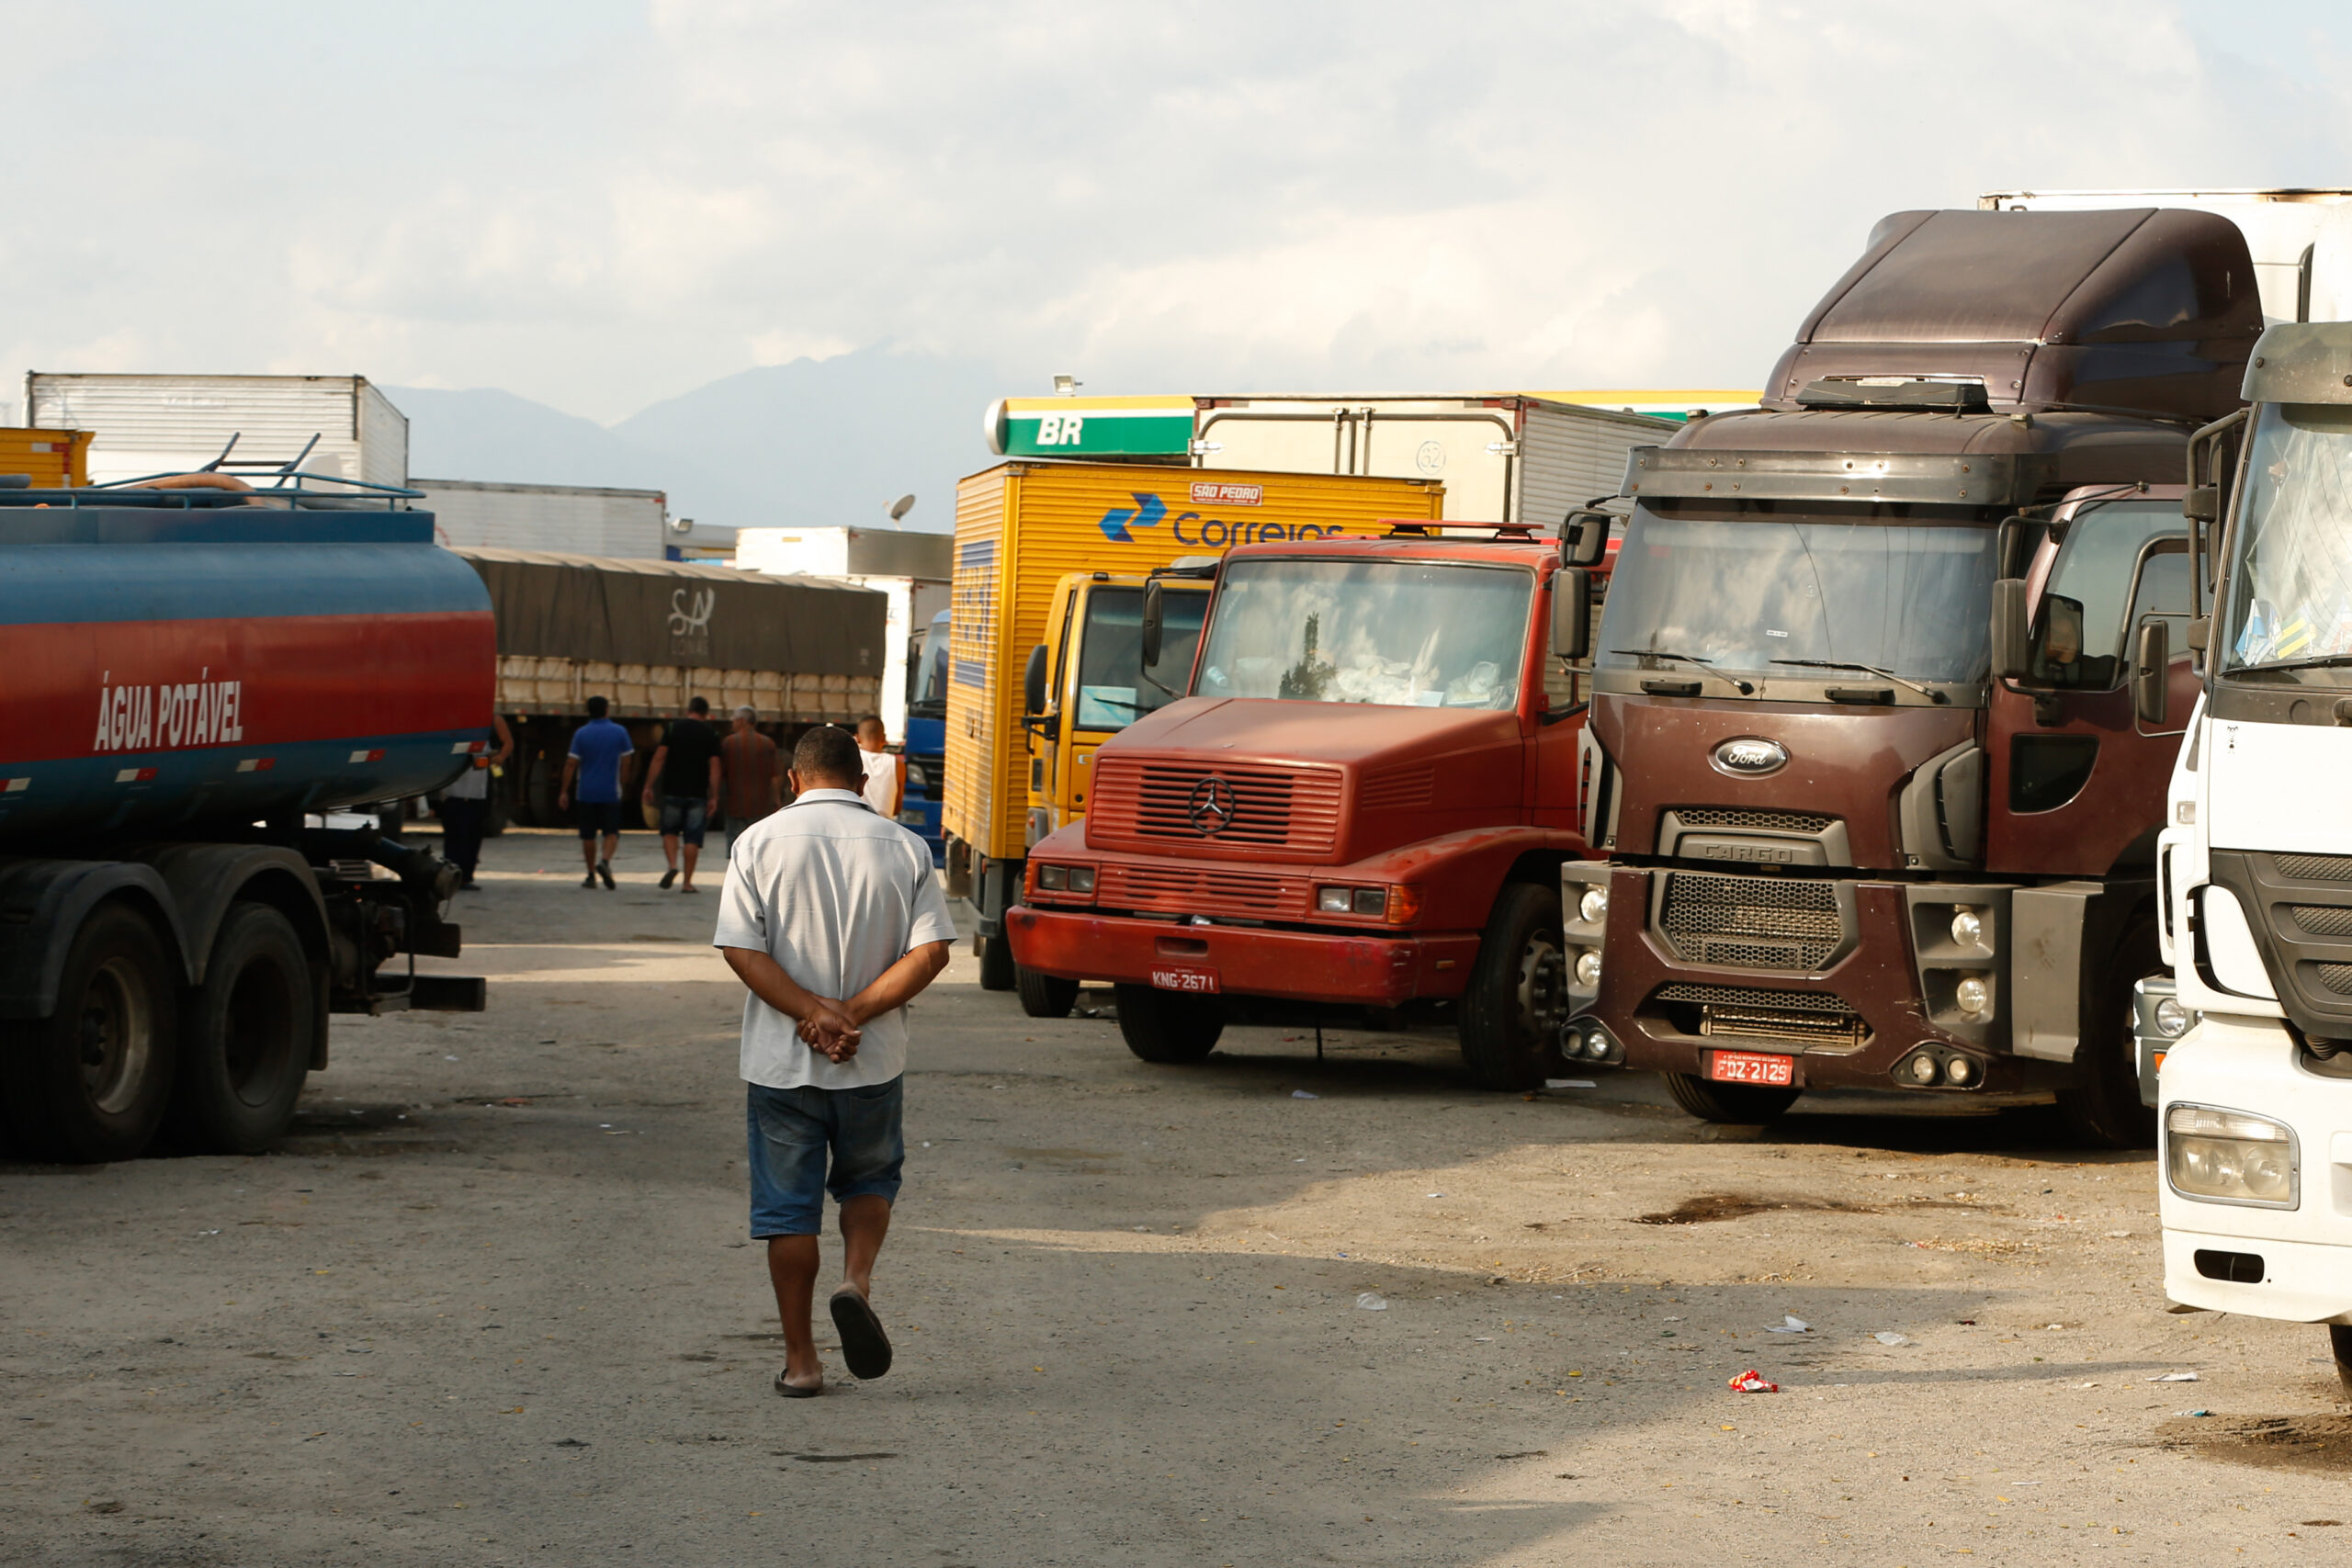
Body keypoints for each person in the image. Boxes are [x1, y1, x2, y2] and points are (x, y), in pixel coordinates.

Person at [714, 724, 955, 1397]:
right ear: (862, 779)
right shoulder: (906, 847)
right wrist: (854, 1013)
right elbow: (932, 951)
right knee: (870, 1177)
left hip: (782, 1064)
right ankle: (856, 1280)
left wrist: (812, 1013)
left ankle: (802, 1362)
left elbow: (741, 948)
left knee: (788, 1212)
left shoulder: (757, 842)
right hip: (871, 1060)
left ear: (794, 779)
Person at [644, 695, 724, 893]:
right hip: (698, 793)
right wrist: (714, 795)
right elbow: (715, 767)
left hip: (672, 790)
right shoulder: (711, 734)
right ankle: (687, 883)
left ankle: (672, 865)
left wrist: (648, 785)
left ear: (689, 710)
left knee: (670, 832)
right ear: (706, 714)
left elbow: (659, 757)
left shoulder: (672, 729)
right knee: (692, 839)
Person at [557, 695, 635, 889]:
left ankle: (591, 874)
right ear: (607, 710)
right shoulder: (620, 732)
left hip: (586, 792)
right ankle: (605, 861)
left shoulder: (581, 734)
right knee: (611, 832)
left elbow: (571, 763)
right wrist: (623, 783)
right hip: (610, 791)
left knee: (588, 835)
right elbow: (626, 762)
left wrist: (564, 791)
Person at [436, 713, 514, 891]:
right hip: (452, 793)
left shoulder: (489, 723)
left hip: (475, 793)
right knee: (455, 837)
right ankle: (452, 876)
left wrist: (497, 758)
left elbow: (502, 746)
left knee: (471, 836)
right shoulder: (452, 725)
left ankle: (465, 877)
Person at [720, 705, 782, 857]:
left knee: (735, 847)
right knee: (758, 848)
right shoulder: (767, 743)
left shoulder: (729, 743)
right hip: (760, 806)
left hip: (734, 804)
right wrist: (776, 799)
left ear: (742, 721)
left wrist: (716, 796)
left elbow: (720, 773)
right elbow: (775, 775)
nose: (732, 723)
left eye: (734, 720)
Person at [854, 714, 901, 821]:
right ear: (884, 738)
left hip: (858, 822)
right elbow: (897, 808)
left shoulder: (853, 759)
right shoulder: (897, 765)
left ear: (857, 738)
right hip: (886, 826)